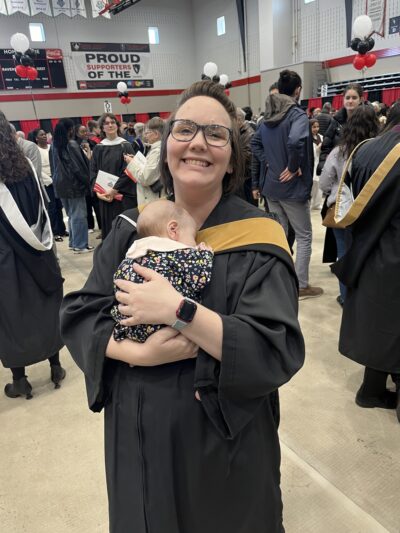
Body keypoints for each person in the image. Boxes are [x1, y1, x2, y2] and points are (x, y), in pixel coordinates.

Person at [60, 80, 305, 533]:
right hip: (137, 445)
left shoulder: (259, 236)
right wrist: (139, 353)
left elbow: (274, 349)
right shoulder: (132, 229)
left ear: (232, 155)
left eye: (215, 134)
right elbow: (79, 313)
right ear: (166, 145)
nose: (198, 143)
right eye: (185, 130)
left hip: (218, 454)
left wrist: (180, 310)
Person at [332, 101, 400, 420]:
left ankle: (371, 390)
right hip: (395, 252)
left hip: (366, 247)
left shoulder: (366, 148)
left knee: (381, 322)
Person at [0, 111, 65, 399]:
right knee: (45, 304)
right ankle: (55, 366)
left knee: (13, 316)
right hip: (38, 250)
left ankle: (20, 380)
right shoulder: (25, 165)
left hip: (6, 261)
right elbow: (43, 208)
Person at [259, 69, 323, 299]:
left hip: (271, 187)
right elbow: (296, 140)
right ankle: (301, 284)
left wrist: (270, 162)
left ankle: (281, 281)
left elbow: (256, 143)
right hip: (291, 188)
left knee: (281, 236)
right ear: (297, 90)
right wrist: (293, 164)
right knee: (304, 235)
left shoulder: (267, 116)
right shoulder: (296, 115)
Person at [111, 200, 213, 342]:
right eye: (192, 236)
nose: (193, 243)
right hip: (167, 326)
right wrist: (206, 254)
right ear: (173, 230)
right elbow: (200, 279)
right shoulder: (181, 255)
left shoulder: (131, 258)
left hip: (131, 328)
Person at [320, 105, 380, 306]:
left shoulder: (339, 151)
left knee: (343, 253)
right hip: (371, 208)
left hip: (342, 210)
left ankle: (346, 297)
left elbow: (324, 182)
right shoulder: (379, 150)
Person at [90, 113, 136, 240]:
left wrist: (115, 189)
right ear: (102, 128)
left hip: (124, 197)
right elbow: (93, 171)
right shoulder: (99, 148)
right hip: (105, 197)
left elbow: (130, 170)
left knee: (125, 231)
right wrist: (98, 191)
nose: (110, 125)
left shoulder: (125, 145)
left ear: (117, 125)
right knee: (109, 231)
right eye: (106, 123)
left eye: (113, 122)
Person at [53, 118, 93, 254]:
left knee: (71, 214)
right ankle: (80, 245)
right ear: (71, 130)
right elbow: (78, 168)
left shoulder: (55, 145)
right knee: (79, 215)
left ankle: (73, 242)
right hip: (74, 185)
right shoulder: (71, 145)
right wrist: (87, 180)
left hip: (60, 185)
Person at [29, 128, 66, 242]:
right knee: (52, 208)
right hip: (46, 182)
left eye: (45, 134)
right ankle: (55, 232)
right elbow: (38, 169)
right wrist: (50, 180)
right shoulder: (36, 150)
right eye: (41, 135)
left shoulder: (52, 148)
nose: (44, 136)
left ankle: (62, 230)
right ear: (36, 138)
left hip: (57, 179)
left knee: (60, 207)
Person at [124, 117, 165, 205]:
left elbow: (145, 178)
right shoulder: (158, 149)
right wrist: (135, 160)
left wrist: (131, 163)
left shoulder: (157, 151)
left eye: (147, 133)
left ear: (156, 134)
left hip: (153, 200)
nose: (145, 136)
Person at [310, 118, 323, 210]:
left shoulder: (321, 137)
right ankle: (310, 203)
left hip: (320, 163)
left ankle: (317, 203)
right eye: (314, 127)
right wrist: (317, 148)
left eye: (317, 127)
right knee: (311, 185)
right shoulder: (307, 138)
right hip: (311, 163)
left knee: (319, 185)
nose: (316, 129)